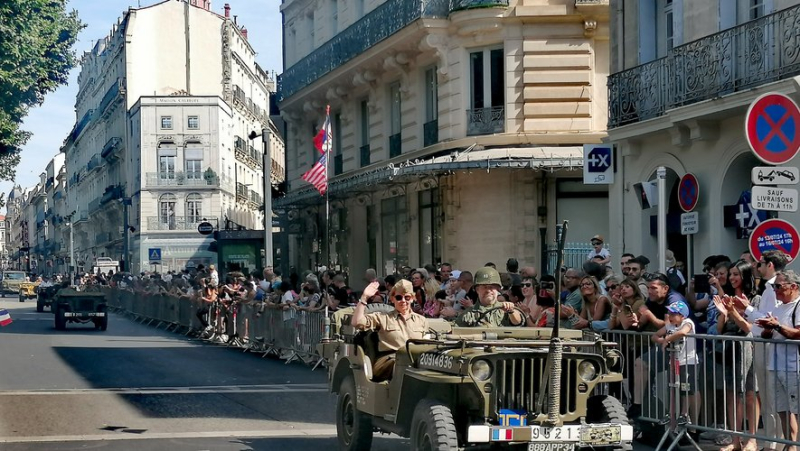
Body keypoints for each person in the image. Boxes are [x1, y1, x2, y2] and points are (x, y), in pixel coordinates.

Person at [735, 250, 790, 451]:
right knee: (767, 397)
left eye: (760, 264)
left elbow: (769, 319)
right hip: (762, 343)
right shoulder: (767, 288)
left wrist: (747, 309)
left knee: (772, 397)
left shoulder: (774, 288)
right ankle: (771, 443)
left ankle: (775, 443)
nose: (757, 268)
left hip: (769, 344)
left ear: (770, 266)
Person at [712, 259, 760, 451]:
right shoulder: (728, 296)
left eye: (735, 274)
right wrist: (724, 313)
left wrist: (734, 311)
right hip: (730, 349)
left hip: (748, 348)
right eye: (730, 274)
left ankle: (752, 439)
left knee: (750, 394)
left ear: (745, 275)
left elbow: (748, 328)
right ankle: (735, 440)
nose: (731, 278)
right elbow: (720, 328)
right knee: (732, 395)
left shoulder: (755, 299)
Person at [753, 270, 800, 449]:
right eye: (773, 286)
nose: (775, 290)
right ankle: (790, 445)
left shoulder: (798, 305)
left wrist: (777, 326)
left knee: (795, 409)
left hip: (793, 365)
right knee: (783, 409)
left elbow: (797, 332)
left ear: (793, 286)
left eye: (778, 286)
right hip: (775, 364)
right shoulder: (779, 307)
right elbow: (772, 333)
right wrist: (767, 329)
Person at [351, 280, 429, 381]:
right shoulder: (383, 318)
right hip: (388, 360)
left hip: (414, 359)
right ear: (392, 299)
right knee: (402, 365)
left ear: (413, 299)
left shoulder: (421, 320)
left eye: (407, 297)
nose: (403, 301)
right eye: (398, 297)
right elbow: (357, 322)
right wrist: (364, 298)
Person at [652, 300, 701, 428]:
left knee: (686, 388)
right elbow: (655, 336)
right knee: (672, 387)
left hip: (688, 362)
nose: (670, 315)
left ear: (682, 315)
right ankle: (671, 413)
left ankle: (684, 414)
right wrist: (661, 340)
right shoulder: (669, 326)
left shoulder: (687, 322)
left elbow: (682, 332)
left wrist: (667, 340)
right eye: (669, 312)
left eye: (674, 314)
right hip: (674, 362)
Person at [453, 267, 523, 327]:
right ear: (477, 290)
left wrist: (511, 311)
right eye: (484, 287)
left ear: (498, 289)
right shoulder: (468, 314)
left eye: (492, 287)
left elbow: (518, 323)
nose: (488, 290)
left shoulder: (505, 310)